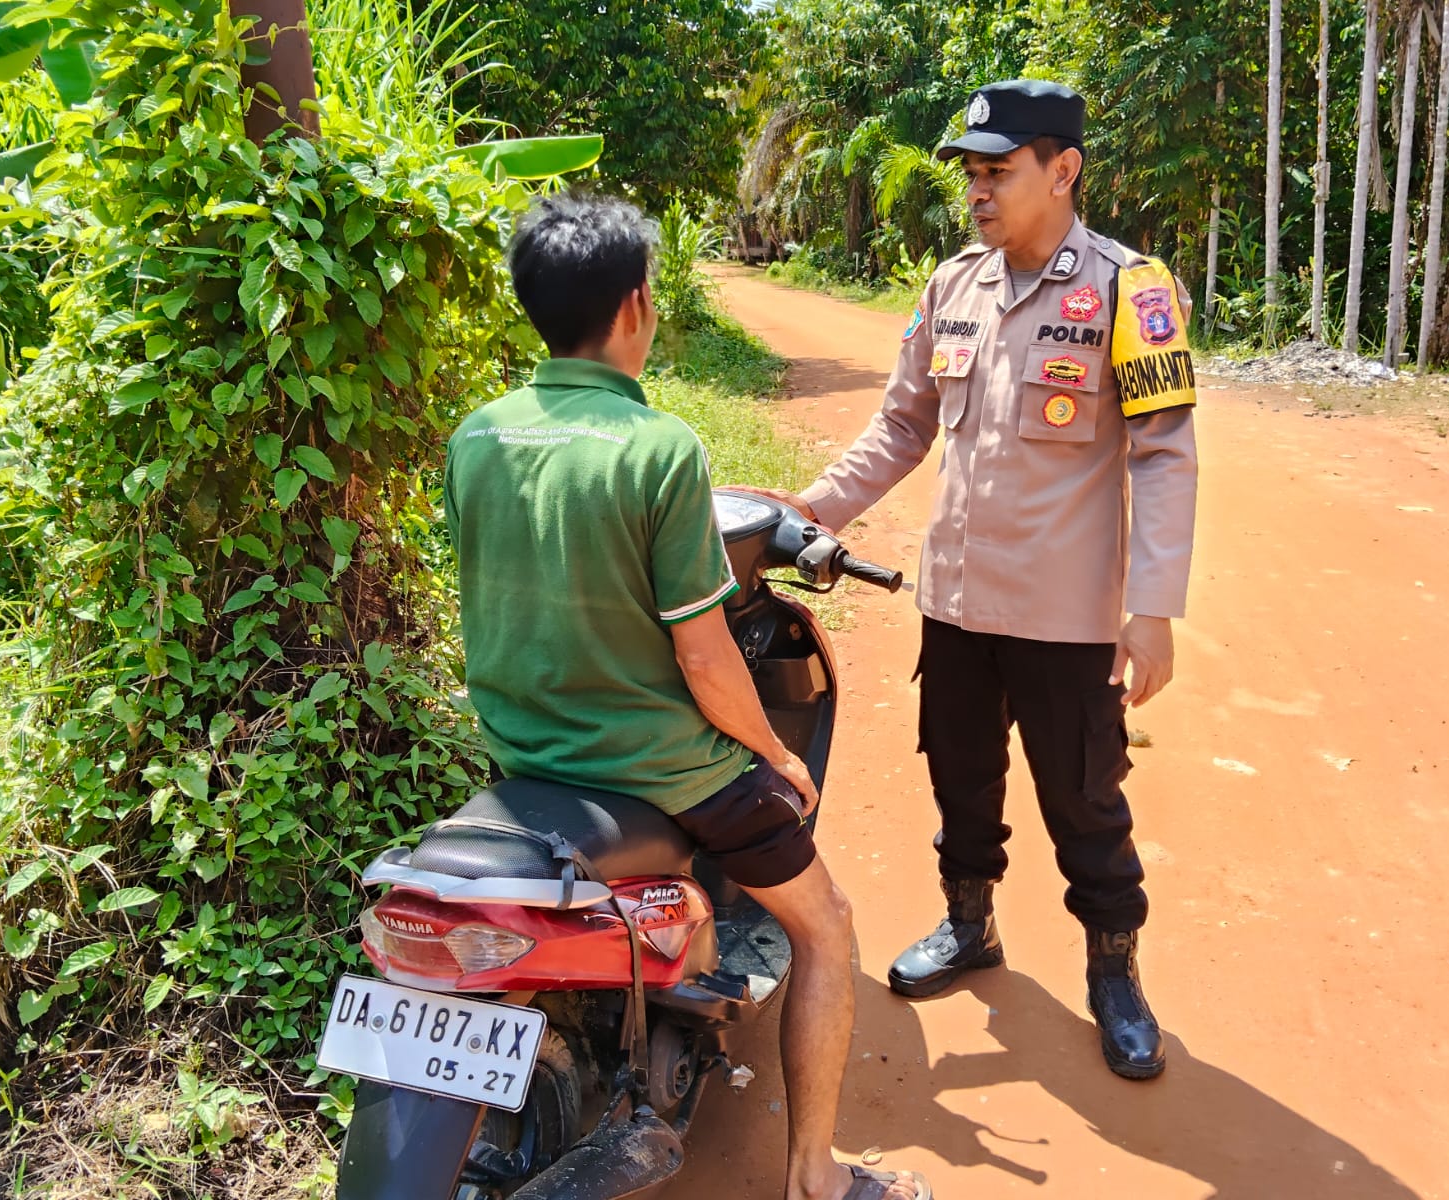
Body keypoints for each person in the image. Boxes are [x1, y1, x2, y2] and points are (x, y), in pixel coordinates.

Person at [442, 194, 930, 1200]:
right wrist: (776, 757)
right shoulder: (660, 450)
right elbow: (709, 665)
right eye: (653, 294)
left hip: (522, 762)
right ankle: (816, 1178)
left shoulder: (476, 438)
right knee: (825, 924)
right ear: (632, 308)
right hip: (657, 770)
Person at [745, 80, 1199, 1080]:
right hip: (954, 603)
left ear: (1062, 170)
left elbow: (1162, 454)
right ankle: (968, 922)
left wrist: (1152, 608)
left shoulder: (1131, 291)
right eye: (971, 174)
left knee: (1083, 799)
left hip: (1064, 616)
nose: (977, 192)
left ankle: (1114, 967)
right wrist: (810, 509)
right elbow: (903, 425)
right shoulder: (954, 286)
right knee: (959, 780)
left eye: (997, 172)